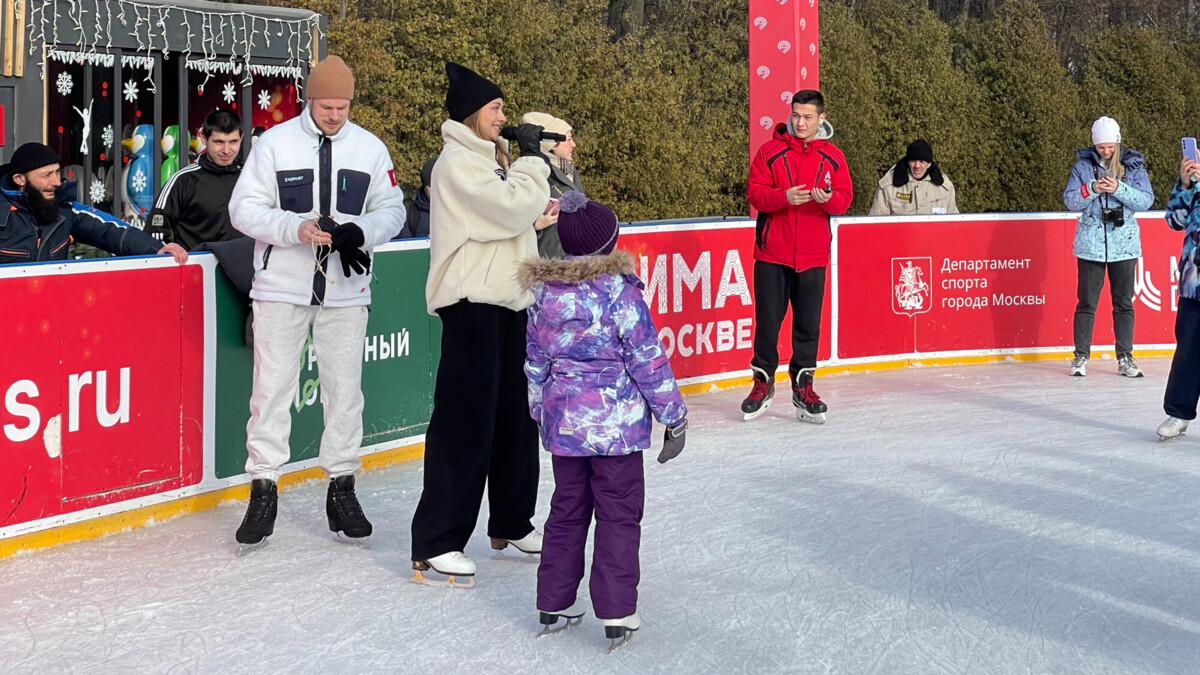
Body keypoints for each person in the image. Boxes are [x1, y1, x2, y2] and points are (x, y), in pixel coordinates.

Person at [227, 55, 406, 550]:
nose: (334, 114)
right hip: (282, 288)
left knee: (345, 392)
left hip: (346, 291)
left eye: (343, 106)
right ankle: (263, 488)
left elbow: (392, 209)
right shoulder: (275, 144)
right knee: (271, 390)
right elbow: (243, 209)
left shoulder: (370, 149)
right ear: (310, 99)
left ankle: (342, 487)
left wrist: (360, 232)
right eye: (327, 105)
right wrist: (293, 228)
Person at [518, 190, 687, 646]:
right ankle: (616, 610)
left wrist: (541, 410)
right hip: (616, 433)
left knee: (567, 511)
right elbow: (648, 361)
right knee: (617, 515)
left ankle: (554, 599)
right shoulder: (620, 295)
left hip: (566, 429)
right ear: (608, 244)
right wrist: (674, 416)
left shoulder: (543, 294)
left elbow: (534, 361)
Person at [410, 62, 551, 585]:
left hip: (510, 299)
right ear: (472, 113)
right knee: (465, 420)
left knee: (516, 417)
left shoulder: (493, 160)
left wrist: (534, 213)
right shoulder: (457, 163)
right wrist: (534, 167)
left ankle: (512, 519)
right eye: (496, 108)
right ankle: (437, 538)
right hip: (471, 302)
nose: (504, 116)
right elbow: (508, 209)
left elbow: (510, 220)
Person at [742, 90, 852, 424]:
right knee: (768, 325)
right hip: (772, 254)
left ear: (821, 118)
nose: (800, 122)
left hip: (813, 256)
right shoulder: (770, 152)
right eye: (795, 115)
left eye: (807, 117)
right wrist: (783, 197)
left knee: (807, 328)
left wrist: (825, 200)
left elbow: (844, 199)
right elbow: (755, 193)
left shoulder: (833, 157)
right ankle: (762, 383)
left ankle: (804, 387)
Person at [1063, 116, 1154, 378]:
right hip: (1090, 244)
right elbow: (1070, 200)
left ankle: (1125, 357)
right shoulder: (1082, 166)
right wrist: (1091, 188)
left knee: (1123, 303)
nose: (1105, 151)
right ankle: (1080, 356)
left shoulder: (1133, 165)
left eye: (1110, 146)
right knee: (1086, 302)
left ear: (1117, 142)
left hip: (1124, 244)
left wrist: (1118, 189)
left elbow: (1145, 200)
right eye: (1101, 147)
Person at [0, 142, 187, 265]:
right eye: (47, 175)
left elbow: (110, 230)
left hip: (49, 312)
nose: (57, 181)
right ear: (20, 179)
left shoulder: (65, 209)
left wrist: (155, 248)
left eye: (57, 172)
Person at [147, 109, 245, 250]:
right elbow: (154, 234)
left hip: (247, 270)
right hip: (197, 270)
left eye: (233, 142)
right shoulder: (182, 181)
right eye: (219, 142)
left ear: (241, 138)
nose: (226, 150)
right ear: (203, 138)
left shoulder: (250, 177)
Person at [1156, 155, 1200, 440]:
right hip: (1194, 282)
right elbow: (1174, 220)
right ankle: (1179, 413)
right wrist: (1185, 185)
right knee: (1188, 350)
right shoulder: (1195, 184)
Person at [521, 111, 584, 259]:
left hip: (572, 260)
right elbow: (511, 220)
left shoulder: (570, 172)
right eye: (568, 139)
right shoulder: (533, 173)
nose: (573, 145)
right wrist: (535, 227)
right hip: (547, 263)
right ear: (552, 145)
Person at [868, 139, 958, 216]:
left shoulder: (945, 188)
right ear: (908, 161)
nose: (917, 166)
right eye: (913, 160)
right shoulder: (888, 186)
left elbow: (954, 224)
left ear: (929, 164)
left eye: (922, 161)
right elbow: (876, 224)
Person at [400, 157, 435, 238]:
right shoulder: (410, 215)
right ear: (424, 187)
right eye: (430, 186)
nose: (435, 191)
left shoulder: (458, 211)